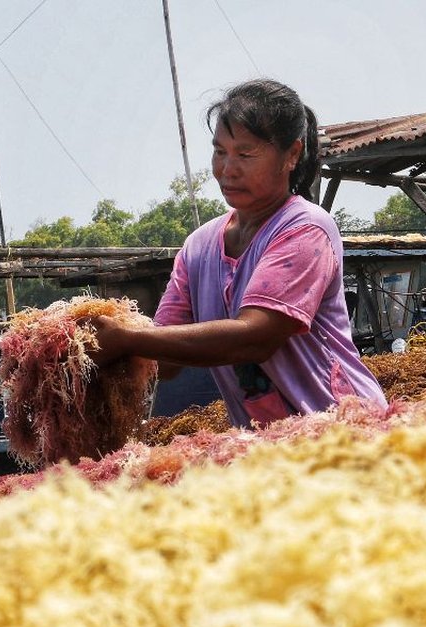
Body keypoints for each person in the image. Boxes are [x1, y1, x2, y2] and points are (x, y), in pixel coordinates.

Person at [92, 78, 385, 427]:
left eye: (245, 154)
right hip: (266, 448)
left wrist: (127, 338)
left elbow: (255, 339)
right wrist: (87, 349)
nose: (227, 170)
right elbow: (164, 364)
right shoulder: (199, 246)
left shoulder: (305, 228)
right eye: (220, 152)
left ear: (291, 154)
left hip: (344, 430)